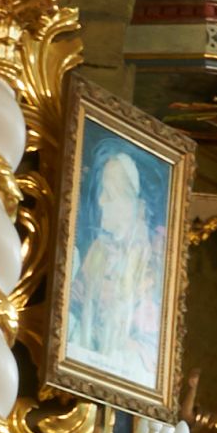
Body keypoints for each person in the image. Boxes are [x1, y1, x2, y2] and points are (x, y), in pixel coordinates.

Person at [66, 147, 163, 374]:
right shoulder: (98, 249)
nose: (100, 202)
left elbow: (149, 344)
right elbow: (74, 305)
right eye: (100, 193)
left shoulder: (151, 260)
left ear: (130, 204)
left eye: (108, 195)